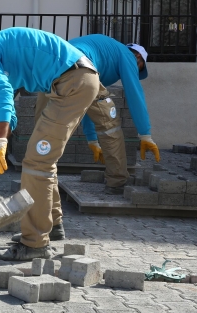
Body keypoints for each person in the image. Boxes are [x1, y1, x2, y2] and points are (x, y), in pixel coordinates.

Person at [0, 27, 108, 260]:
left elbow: (2, 91)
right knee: (42, 161)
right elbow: (9, 108)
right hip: (72, 79)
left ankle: (34, 244)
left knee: (37, 163)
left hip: (72, 81)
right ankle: (52, 226)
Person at [66, 35, 158, 194]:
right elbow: (134, 94)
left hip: (56, 65)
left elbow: (88, 100)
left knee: (48, 123)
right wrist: (145, 134)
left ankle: (37, 180)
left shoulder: (107, 52)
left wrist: (92, 138)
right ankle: (117, 182)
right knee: (110, 126)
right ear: (138, 56)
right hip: (80, 65)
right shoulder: (127, 55)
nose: (137, 71)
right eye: (140, 67)